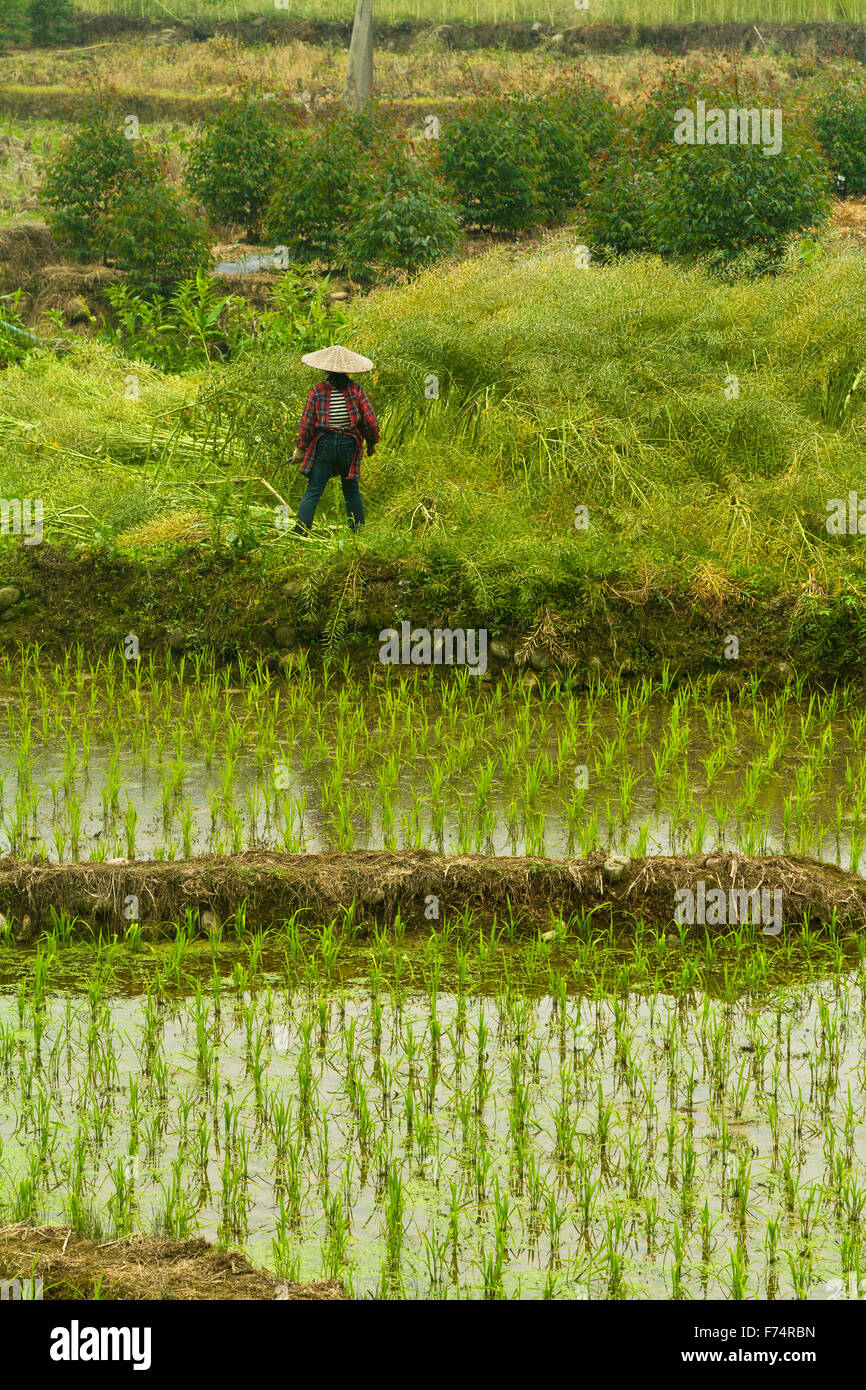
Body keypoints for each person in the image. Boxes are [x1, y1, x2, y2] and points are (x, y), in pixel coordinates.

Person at [291, 344, 380, 535]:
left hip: (325, 445)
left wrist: (300, 449)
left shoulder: (318, 391)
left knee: (314, 489)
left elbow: (307, 423)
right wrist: (372, 443)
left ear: (326, 369)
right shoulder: (357, 391)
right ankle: (358, 532)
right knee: (351, 490)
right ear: (348, 371)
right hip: (350, 445)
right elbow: (370, 423)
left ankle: (300, 532)